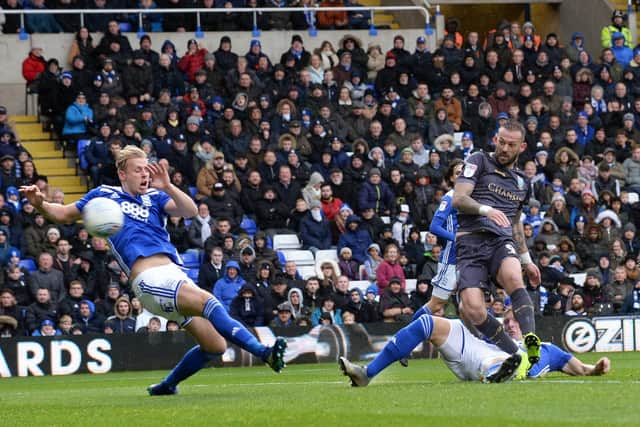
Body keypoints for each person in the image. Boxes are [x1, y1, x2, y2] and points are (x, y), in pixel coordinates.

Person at [19, 146, 286, 396]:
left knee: (215, 346)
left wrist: (168, 186)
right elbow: (64, 214)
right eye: (138, 170)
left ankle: (168, 385)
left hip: (175, 275)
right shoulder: (104, 195)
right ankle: (264, 353)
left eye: (147, 169)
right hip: (149, 280)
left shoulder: (156, 197)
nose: (145, 174)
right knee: (208, 302)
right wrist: (40, 203)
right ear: (122, 173)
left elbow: (190, 210)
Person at [339, 306, 610, 386]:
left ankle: (499, 373)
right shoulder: (493, 331)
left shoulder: (546, 350)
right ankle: (367, 374)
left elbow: (581, 369)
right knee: (426, 323)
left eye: (516, 321)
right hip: (476, 343)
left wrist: (596, 368)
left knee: (506, 359)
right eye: (507, 320)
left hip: (485, 360)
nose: (511, 324)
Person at [452, 118, 542, 364]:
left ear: (521, 147)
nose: (504, 149)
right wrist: (485, 210)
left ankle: (530, 340)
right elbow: (459, 199)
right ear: (495, 139)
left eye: (511, 145)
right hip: (470, 241)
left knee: (514, 277)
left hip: (500, 241)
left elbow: (514, 224)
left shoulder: (523, 183)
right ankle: (514, 353)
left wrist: (527, 260)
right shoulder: (477, 160)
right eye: (501, 142)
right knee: (473, 309)